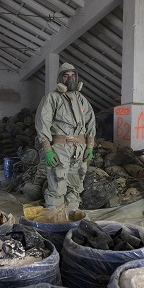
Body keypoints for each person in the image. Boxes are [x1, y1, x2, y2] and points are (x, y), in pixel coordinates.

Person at [35, 62, 96, 211]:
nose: (70, 79)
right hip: (60, 148)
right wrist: (47, 149)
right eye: (66, 76)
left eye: (73, 76)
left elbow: (91, 123)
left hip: (79, 149)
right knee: (57, 182)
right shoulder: (52, 98)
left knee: (76, 183)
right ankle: (55, 217)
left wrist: (90, 147)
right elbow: (43, 122)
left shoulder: (82, 99)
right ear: (60, 79)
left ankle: (72, 214)